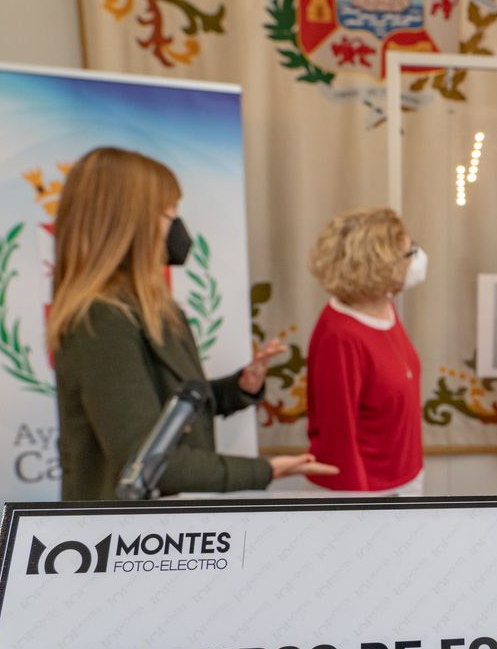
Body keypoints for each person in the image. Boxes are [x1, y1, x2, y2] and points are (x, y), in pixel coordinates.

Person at [50, 147, 336, 500]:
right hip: (117, 537)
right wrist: (264, 470)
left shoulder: (153, 310)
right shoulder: (101, 320)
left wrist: (238, 388)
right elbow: (146, 460)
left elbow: (164, 407)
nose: (178, 227)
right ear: (131, 222)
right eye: (169, 214)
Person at [306, 208, 426, 495]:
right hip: (370, 493)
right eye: (410, 253)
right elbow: (338, 439)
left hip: (404, 478)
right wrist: (359, 513)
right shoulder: (341, 337)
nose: (418, 260)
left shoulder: (384, 305)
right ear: (379, 266)